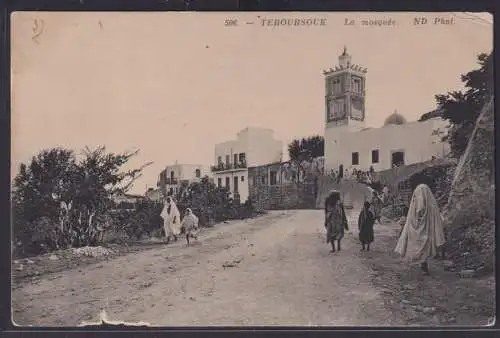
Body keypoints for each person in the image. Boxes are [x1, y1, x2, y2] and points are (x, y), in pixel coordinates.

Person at [394, 184, 445, 275]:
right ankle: (423, 264)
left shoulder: (420, 195)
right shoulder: (431, 204)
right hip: (426, 229)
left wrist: (416, 219)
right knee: (424, 246)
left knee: (420, 245)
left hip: (421, 228)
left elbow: (419, 209)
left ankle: (423, 264)